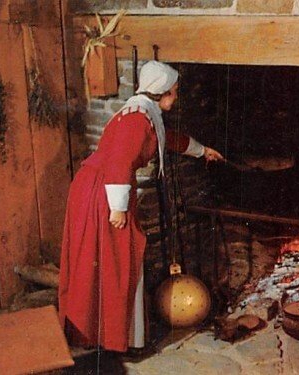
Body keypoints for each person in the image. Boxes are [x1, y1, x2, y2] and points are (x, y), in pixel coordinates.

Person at [58, 61, 223, 353]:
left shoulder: (146, 113)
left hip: (104, 190)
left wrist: (201, 150)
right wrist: (118, 208)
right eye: (175, 91)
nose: (177, 95)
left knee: (116, 260)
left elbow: (166, 139)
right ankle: (115, 337)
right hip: (102, 195)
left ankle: (121, 335)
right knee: (121, 260)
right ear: (164, 93)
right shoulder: (136, 120)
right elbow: (119, 162)